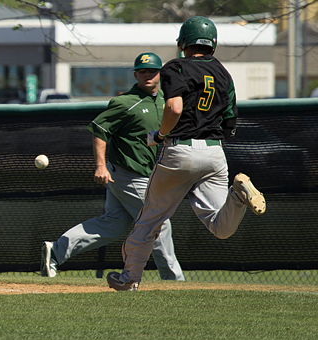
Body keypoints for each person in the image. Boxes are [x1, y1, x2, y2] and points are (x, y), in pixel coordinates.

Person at [107, 16, 266, 291]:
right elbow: (230, 124)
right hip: (215, 154)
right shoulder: (223, 74)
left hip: (179, 150)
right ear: (213, 44)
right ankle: (238, 195)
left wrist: (159, 136)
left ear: (183, 43)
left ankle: (129, 278)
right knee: (222, 228)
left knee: (150, 219)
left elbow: (175, 108)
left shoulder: (176, 67)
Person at [41, 52, 185, 281]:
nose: (148, 75)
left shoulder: (166, 101)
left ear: (160, 74)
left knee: (113, 225)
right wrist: (101, 166)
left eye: (152, 71)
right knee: (159, 223)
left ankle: (56, 251)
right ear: (135, 74)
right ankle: (174, 281)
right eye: (142, 71)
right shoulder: (125, 102)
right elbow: (99, 130)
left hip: (147, 174)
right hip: (129, 174)